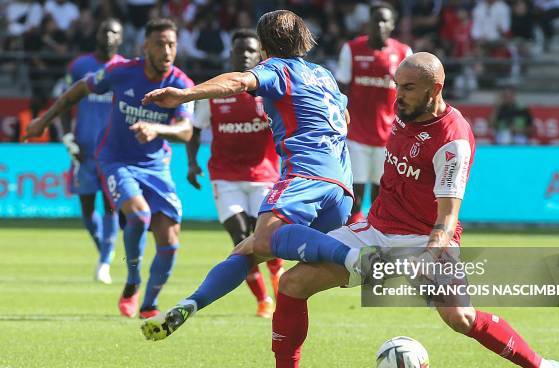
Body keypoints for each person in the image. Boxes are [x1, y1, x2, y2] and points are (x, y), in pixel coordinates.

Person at [227, 52, 559, 368]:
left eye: (408, 88)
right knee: (293, 285)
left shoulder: (453, 141)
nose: (398, 95)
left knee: (460, 318)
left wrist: (428, 255)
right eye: (396, 85)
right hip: (374, 228)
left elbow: (448, 217)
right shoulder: (402, 111)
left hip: (425, 238)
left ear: (436, 89)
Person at [140, 10, 352, 338]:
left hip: (305, 177)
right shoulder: (324, 75)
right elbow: (345, 116)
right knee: (252, 254)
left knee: (265, 238)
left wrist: (184, 95)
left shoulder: (276, 68)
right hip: (340, 187)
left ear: (265, 45)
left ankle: (356, 257)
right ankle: (191, 304)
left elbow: (240, 80)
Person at [24, 18, 194, 319]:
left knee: (169, 243)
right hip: (115, 160)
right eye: (160, 43)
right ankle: (132, 281)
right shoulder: (122, 71)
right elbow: (78, 89)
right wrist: (43, 120)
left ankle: (148, 304)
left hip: (156, 166)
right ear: (145, 46)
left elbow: (185, 130)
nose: (167, 50)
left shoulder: (181, 84)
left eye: (171, 44)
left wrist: (158, 129)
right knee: (139, 215)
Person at [187, 29, 284, 318]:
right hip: (225, 176)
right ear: (230, 54)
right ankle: (263, 299)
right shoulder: (215, 91)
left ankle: (277, 275)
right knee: (239, 236)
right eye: (239, 50)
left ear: (260, 55)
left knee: (265, 240)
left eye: (250, 50)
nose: (244, 55)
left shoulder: (270, 91)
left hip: (264, 177)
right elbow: (194, 130)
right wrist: (192, 163)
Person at [335, 2, 412, 224]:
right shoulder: (352, 49)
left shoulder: (403, 52)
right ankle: (352, 249)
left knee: (382, 197)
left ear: (393, 24)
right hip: (357, 136)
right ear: (368, 23)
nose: (379, 24)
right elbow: (341, 90)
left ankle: (377, 244)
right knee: (355, 197)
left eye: (385, 20)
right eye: (375, 20)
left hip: (389, 138)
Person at [61, 18, 124, 284]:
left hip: (113, 153)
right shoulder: (80, 66)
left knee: (111, 208)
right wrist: (67, 137)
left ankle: (105, 262)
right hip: (84, 151)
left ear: (120, 38)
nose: (109, 35)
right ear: (96, 34)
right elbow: (63, 102)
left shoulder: (124, 68)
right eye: (104, 30)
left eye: (114, 32)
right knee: (87, 210)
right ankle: (105, 253)